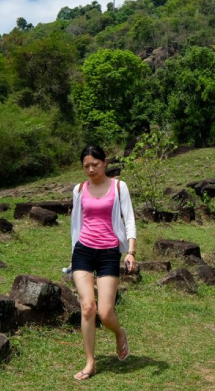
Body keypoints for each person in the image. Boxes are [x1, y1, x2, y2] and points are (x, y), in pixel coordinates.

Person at [69, 145, 137, 381]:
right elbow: (75, 225)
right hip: (83, 252)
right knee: (88, 306)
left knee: (106, 312)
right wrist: (72, 253)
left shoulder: (119, 187)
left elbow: (128, 218)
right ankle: (90, 362)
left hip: (109, 252)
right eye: (86, 166)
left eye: (94, 165)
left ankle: (120, 332)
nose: (90, 169)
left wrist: (130, 251)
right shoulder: (79, 190)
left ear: (105, 162)